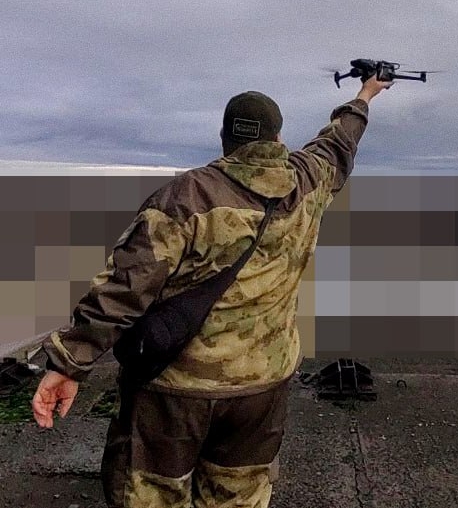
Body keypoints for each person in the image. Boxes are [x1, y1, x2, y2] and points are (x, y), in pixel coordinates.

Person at [32, 75, 393, 508]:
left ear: (224, 139)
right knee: (237, 496)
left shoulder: (186, 197)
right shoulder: (307, 182)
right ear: (277, 139)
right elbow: (338, 143)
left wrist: (68, 364)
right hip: (261, 389)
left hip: (175, 391)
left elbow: (124, 290)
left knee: (152, 494)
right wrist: (364, 96)